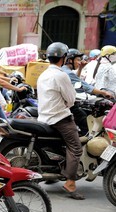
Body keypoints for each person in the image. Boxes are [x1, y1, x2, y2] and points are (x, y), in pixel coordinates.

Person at [37, 42, 84, 200]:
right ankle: (70, 182)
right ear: (63, 58)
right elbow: (71, 100)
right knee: (76, 148)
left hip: (44, 116)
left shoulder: (44, 74)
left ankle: (56, 173)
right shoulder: (61, 75)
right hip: (60, 118)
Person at [62, 48, 113, 135]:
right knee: (85, 122)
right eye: (78, 60)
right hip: (67, 107)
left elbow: (76, 80)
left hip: (68, 103)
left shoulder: (64, 70)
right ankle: (83, 144)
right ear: (70, 60)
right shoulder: (67, 72)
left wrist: (81, 68)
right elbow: (85, 86)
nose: (80, 62)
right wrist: (104, 93)